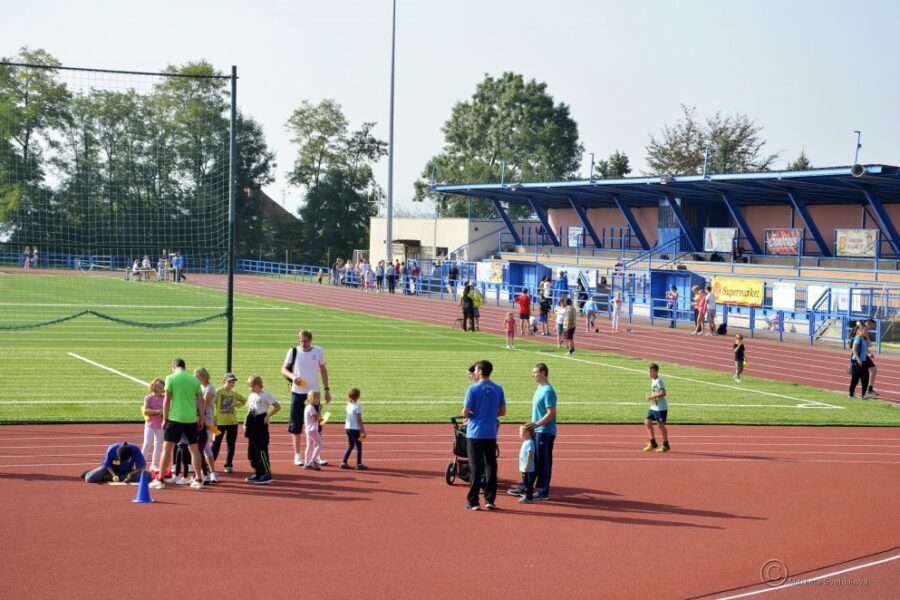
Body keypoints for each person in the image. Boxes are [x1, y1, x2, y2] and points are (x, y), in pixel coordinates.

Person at [149, 358, 204, 490]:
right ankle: (198, 479)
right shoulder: (194, 380)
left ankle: (160, 479)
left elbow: (167, 400)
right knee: (194, 449)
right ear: (184, 367)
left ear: (174, 367)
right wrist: (201, 419)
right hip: (191, 418)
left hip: (175, 418)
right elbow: (201, 401)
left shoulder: (171, 378)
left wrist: (165, 419)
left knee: (167, 449)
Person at [282, 329, 331, 466]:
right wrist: (293, 377)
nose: (303, 343)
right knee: (296, 424)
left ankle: (317, 455)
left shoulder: (318, 351)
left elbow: (323, 370)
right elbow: (284, 369)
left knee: (316, 425)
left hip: (314, 394)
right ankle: (297, 455)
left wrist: (327, 390)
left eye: (306, 341)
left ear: (311, 340)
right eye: (301, 340)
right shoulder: (293, 351)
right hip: (298, 392)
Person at [462, 360, 506, 511]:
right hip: (490, 432)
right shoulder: (498, 388)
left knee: (475, 467)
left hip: (475, 432)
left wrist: (474, 414)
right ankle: (490, 499)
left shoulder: (472, 389)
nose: (473, 372)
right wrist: (489, 413)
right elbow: (503, 411)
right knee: (491, 466)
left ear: (480, 371)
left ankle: (473, 500)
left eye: (475, 370)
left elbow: (465, 412)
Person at [517, 362, 557, 501]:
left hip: (545, 431)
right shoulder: (540, 388)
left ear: (543, 373)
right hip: (537, 430)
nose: (532, 375)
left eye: (535, 372)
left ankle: (542, 490)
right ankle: (526, 486)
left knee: (543, 461)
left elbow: (551, 413)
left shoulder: (548, 391)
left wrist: (537, 424)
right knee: (534, 460)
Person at [244, 375, 280, 484]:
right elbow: (250, 410)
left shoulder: (266, 395)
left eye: (253, 386)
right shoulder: (251, 396)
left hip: (260, 423)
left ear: (258, 385)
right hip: (252, 422)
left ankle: (267, 474)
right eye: (250, 387)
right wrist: (246, 422)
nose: (251, 389)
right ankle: (258, 472)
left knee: (261, 449)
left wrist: (268, 416)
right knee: (252, 450)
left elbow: (277, 406)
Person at [211, 372, 246, 473]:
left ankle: (228, 465)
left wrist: (236, 405)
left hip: (232, 423)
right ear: (224, 381)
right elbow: (211, 404)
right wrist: (213, 418)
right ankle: (210, 464)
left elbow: (244, 400)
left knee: (231, 444)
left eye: (233, 382)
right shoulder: (218, 392)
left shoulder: (234, 394)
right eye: (229, 381)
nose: (231, 384)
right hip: (218, 423)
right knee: (215, 444)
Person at [194, 367, 218, 483]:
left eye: (197, 376)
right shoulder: (200, 387)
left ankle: (210, 473)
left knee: (204, 448)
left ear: (204, 376)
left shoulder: (210, 387)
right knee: (205, 448)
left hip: (207, 421)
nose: (196, 379)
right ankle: (208, 473)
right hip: (199, 420)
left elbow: (203, 402)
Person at [82, 442, 146, 483]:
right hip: (109, 470)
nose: (124, 462)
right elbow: (107, 465)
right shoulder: (111, 449)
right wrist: (114, 475)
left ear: (131, 455)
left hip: (127, 471)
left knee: (146, 476)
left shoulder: (135, 449)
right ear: (118, 455)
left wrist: (130, 474)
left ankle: (106, 477)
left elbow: (143, 466)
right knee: (89, 479)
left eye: (127, 460)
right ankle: (96, 474)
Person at [643, 363, 670, 452]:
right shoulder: (653, 380)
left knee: (660, 426)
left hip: (661, 408)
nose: (648, 373)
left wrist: (651, 397)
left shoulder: (659, 381)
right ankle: (653, 442)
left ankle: (666, 445)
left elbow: (663, 393)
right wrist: (652, 396)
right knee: (647, 422)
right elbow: (656, 392)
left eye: (650, 371)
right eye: (648, 372)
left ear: (655, 371)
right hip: (654, 407)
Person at [140, 378, 165, 474]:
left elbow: (166, 410)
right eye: (160, 387)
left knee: (158, 444)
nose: (162, 389)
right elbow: (146, 411)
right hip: (150, 424)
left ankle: (154, 464)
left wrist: (160, 412)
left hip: (160, 424)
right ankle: (141, 463)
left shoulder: (164, 398)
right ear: (154, 387)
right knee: (147, 443)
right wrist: (157, 411)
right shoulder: (148, 398)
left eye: (163, 387)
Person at [341, 387, 368, 470]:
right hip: (355, 429)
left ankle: (344, 462)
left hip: (348, 428)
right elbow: (359, 419)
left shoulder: (348, 405)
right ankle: (359, 464)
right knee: (359, 446)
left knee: (350, 445)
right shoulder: (358, 406)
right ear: (358, 396)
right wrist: (363, 431)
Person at [848, 322, 871, 399]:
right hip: (857, 361)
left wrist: (869, 353)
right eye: (865, 331)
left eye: (867, 331)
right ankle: (851, 394)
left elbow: (869, 346)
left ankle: (863, 394)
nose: (866, 332)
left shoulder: (864, 339)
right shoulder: (858, 338)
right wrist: (858, 359)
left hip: (864, 361)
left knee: (866, 378)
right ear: (860, 331)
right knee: (855, 378)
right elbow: (854, 349)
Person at [303, 391, 324, 470]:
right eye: (318, 398)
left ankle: (306, 463)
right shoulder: (311, 408)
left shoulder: (308, 407)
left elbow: (318, 420)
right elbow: (316, 419)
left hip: (308, 429)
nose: (319, 401)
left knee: (309, 445)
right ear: (313, 398)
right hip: (312, 429)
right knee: (320, 444)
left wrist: (322, 420)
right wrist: (320, 410)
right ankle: (313, 460)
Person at [516, 426, 536, 504]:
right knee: (526, 482)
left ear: (527, 433)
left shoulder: (529, 442)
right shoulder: (526, 441)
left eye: (521, 432)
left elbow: (530, 454)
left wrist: (527, 465)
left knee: (528, 483)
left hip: (528, 468)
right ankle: (527, 495)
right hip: (524, 467)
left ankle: (529, 497)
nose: (519, 433)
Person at [864, 319, 878, 396]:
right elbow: (860, 344)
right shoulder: (863, 331)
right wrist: (868, 353)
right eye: (872, 326)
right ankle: (868, 391)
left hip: (862, 354)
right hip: (861, 354)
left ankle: (869, 390)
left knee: (872, 370)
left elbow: (866, 344)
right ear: (868, 323)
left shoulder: (864, 330)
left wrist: (868, 352)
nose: (873, 328)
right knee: (872, 370)